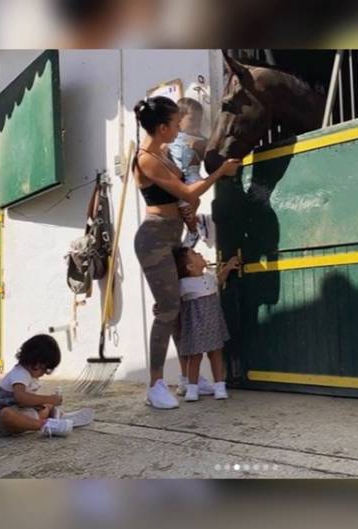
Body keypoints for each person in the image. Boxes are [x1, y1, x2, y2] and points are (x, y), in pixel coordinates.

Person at [132, 95, 240, 409]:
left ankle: (187, 379)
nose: (181, 126)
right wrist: (219, 174)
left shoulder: (164, 153)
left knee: (181, 307)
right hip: (153, 239)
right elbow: (187, 190)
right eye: (176, 123)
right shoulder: (146, 158)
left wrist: (186, 215)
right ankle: (155, 385)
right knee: (167, 310)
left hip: (172, 235)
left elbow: (180, 198)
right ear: (162, 127)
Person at [173, 247, 240, 401]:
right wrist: (160, 307)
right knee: (194, 357)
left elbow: (219, 280)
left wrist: (228, 268)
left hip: (213, 322)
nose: (200, 254)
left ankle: (219, 386)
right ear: (190, 267)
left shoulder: (209, 277)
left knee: (216, 354)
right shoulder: (183, 284)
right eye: (194, 254)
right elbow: (173, 300)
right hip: (195, 325)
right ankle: (192, 389)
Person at [0, 334, 77, 437]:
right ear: (36, 362)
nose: (44, 373)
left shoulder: (30, 375)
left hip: (22, 414)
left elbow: (23, 403)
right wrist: (48, 399)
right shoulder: (20, 374)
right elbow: (21, 397)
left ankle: (56, 416)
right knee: (6, 414)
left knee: (44, 407)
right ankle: (46, 425)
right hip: (4, 423)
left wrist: (42, 404)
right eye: (45, 368)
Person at [166, 97, 208, 248]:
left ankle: (192, 232)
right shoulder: (173, 137)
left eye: (199, 119)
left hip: (191, 179)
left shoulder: (197, 138)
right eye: (193, 119)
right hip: (180, 179)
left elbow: (208, 146)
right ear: (179, 118)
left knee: (185, 205)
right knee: (189, 206)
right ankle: (197, 222)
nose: (197, 122)